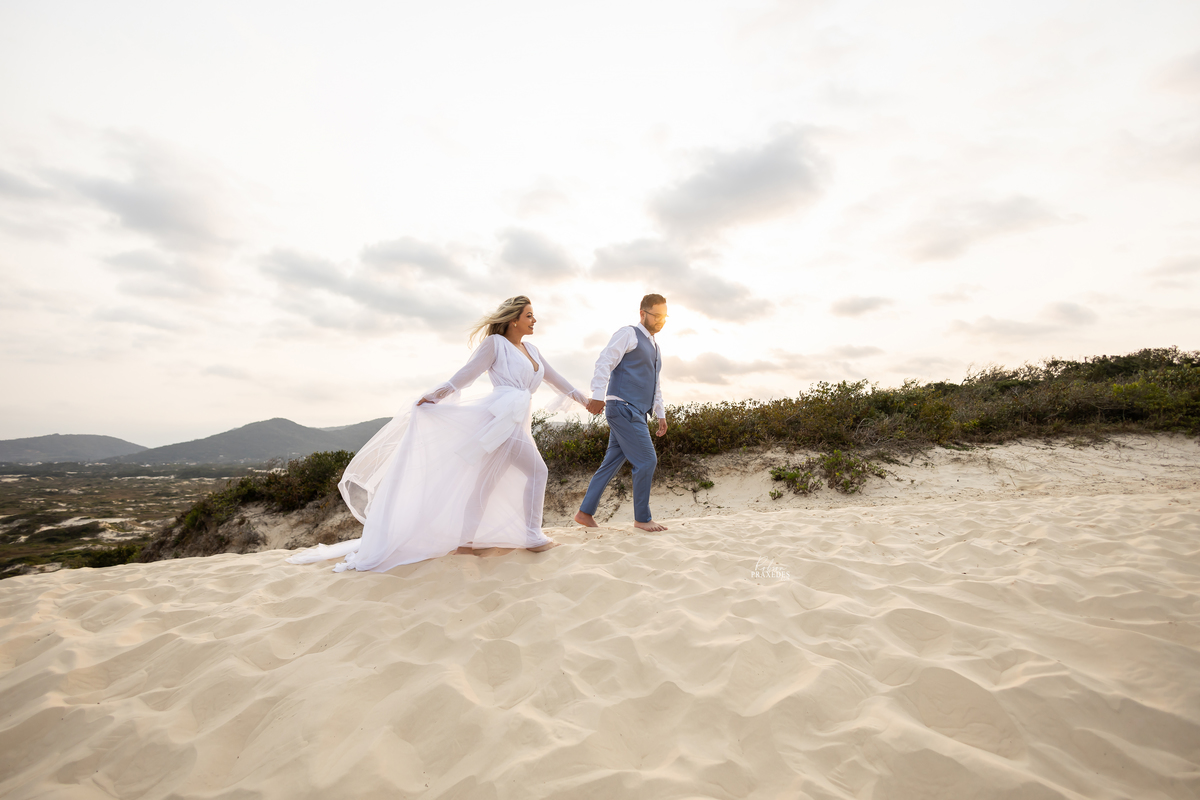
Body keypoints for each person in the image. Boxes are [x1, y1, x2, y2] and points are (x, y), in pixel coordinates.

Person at [287, 296, 590, 571]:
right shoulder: (495, 345)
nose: (534, 320)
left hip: (514, 418)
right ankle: (533, 535)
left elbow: (555, 379)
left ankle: (465, 543)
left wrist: (585, 401)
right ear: (514, 319)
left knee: (486, 482)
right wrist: (438, 394)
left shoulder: (532, 349)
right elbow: (467, 374)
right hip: (499, 417)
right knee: (538, 470)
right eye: (529, 315)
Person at [574, 294, 669, 532]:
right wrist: (597, 394)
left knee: (611, 463)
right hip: (622, 407)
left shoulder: (656, 347)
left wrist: (660, 413)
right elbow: (604, 361)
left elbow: (655, 384)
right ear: (642, 313)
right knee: (647, 460)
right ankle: (642, 519)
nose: (660, 320)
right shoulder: (628, 334)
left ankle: (584, 513)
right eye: (656, 315)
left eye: (664, 316)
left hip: (637, 411)